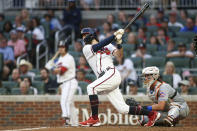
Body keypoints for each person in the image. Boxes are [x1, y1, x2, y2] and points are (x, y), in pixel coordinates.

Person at [79, 27, 160, 127]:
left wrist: (119, 43)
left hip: (110, 73)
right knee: (123, 109)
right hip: (104, 79)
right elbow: (97, 46)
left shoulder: (107, 45)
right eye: (82, 36)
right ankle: (152, 114)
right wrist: (113, 36)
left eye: (85, 35)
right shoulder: (86, 48)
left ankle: (94, 118)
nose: (83, 37)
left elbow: (119, 55)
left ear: (92, 35)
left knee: (91, 88)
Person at [45, 40, 78, 126]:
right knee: (70, 103)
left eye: (62, 47)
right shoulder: (59, 59)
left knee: (64, 100)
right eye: (59, 47)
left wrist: (51, 68)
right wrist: (51, 65)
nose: (61, 49)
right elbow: (54, 70)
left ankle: (67, 120)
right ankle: (75, 123)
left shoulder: (69, 58)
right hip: (63, 83)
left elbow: (61, 71)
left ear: (66, 48)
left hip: (69, 81)